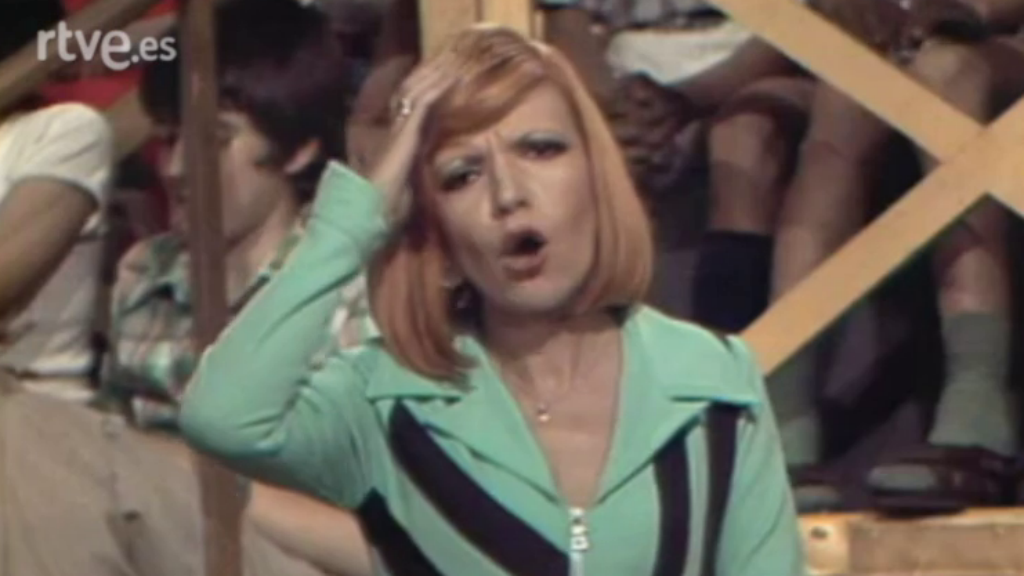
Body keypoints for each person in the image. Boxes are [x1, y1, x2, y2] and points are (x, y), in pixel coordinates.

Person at [179, 25, 805, 575]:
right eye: (463, 175)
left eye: (541, 149)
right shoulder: (386, 399)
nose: (508, 193)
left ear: (598, 180)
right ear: (440, 239)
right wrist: (359, 216)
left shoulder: (713, 382)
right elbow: (224, 417)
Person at [0, 0, 376, 574]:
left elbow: (383, 545)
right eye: (170, 138)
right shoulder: (144, 274)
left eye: (212, 140)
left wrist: (174, 473)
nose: (175, 167)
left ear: (298, 149)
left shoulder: (347, 295)